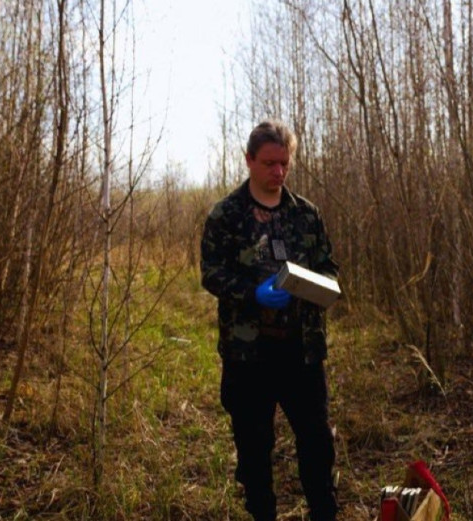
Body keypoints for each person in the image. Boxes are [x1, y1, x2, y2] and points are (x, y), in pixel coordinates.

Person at [200, 120, 339, 521]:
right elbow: (211, 273)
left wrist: (317, 285)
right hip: (249, 355)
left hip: (302, 351)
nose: (278, 171)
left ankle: (324, 513)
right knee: (254, 448)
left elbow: (328, 267)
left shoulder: (306, 215)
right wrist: (252, 292)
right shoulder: (227, 215)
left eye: (285, 163)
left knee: (317, 443)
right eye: (269, 163)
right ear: (249, 160)